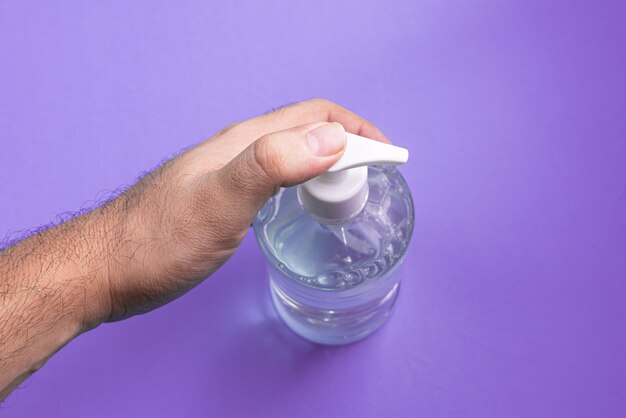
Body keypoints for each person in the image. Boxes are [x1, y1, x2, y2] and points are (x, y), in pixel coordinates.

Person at [0, 98, 389, 399]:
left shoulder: (391, 209)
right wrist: (112, 255)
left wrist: (110, 255)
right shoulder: (277, 210)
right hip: (303, 312)